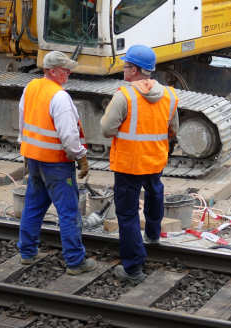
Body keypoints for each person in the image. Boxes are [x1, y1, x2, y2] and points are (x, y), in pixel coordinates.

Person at [100, 45, 178, 284]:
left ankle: (133, 268)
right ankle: (153, 235)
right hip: (155, 159)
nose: (123, 69)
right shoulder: (169, 95)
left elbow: (106, 129)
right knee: (155, 193)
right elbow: (173, 129)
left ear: (134, 70)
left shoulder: (124, 96)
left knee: (127, 214)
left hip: (128, 164)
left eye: (125, 66)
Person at [17, 51, 96, 275]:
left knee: (33, 205)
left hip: (34, 159)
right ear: (52, 71)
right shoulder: (59, 97)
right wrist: (80, 157)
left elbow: (23, 120)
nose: (68, 73)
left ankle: (27, 252)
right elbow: (68, 135)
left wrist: (26, 149)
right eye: (65, 69)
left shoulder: (31, 87)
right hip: (56, 164)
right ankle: (75, 261)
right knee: (69, 212)